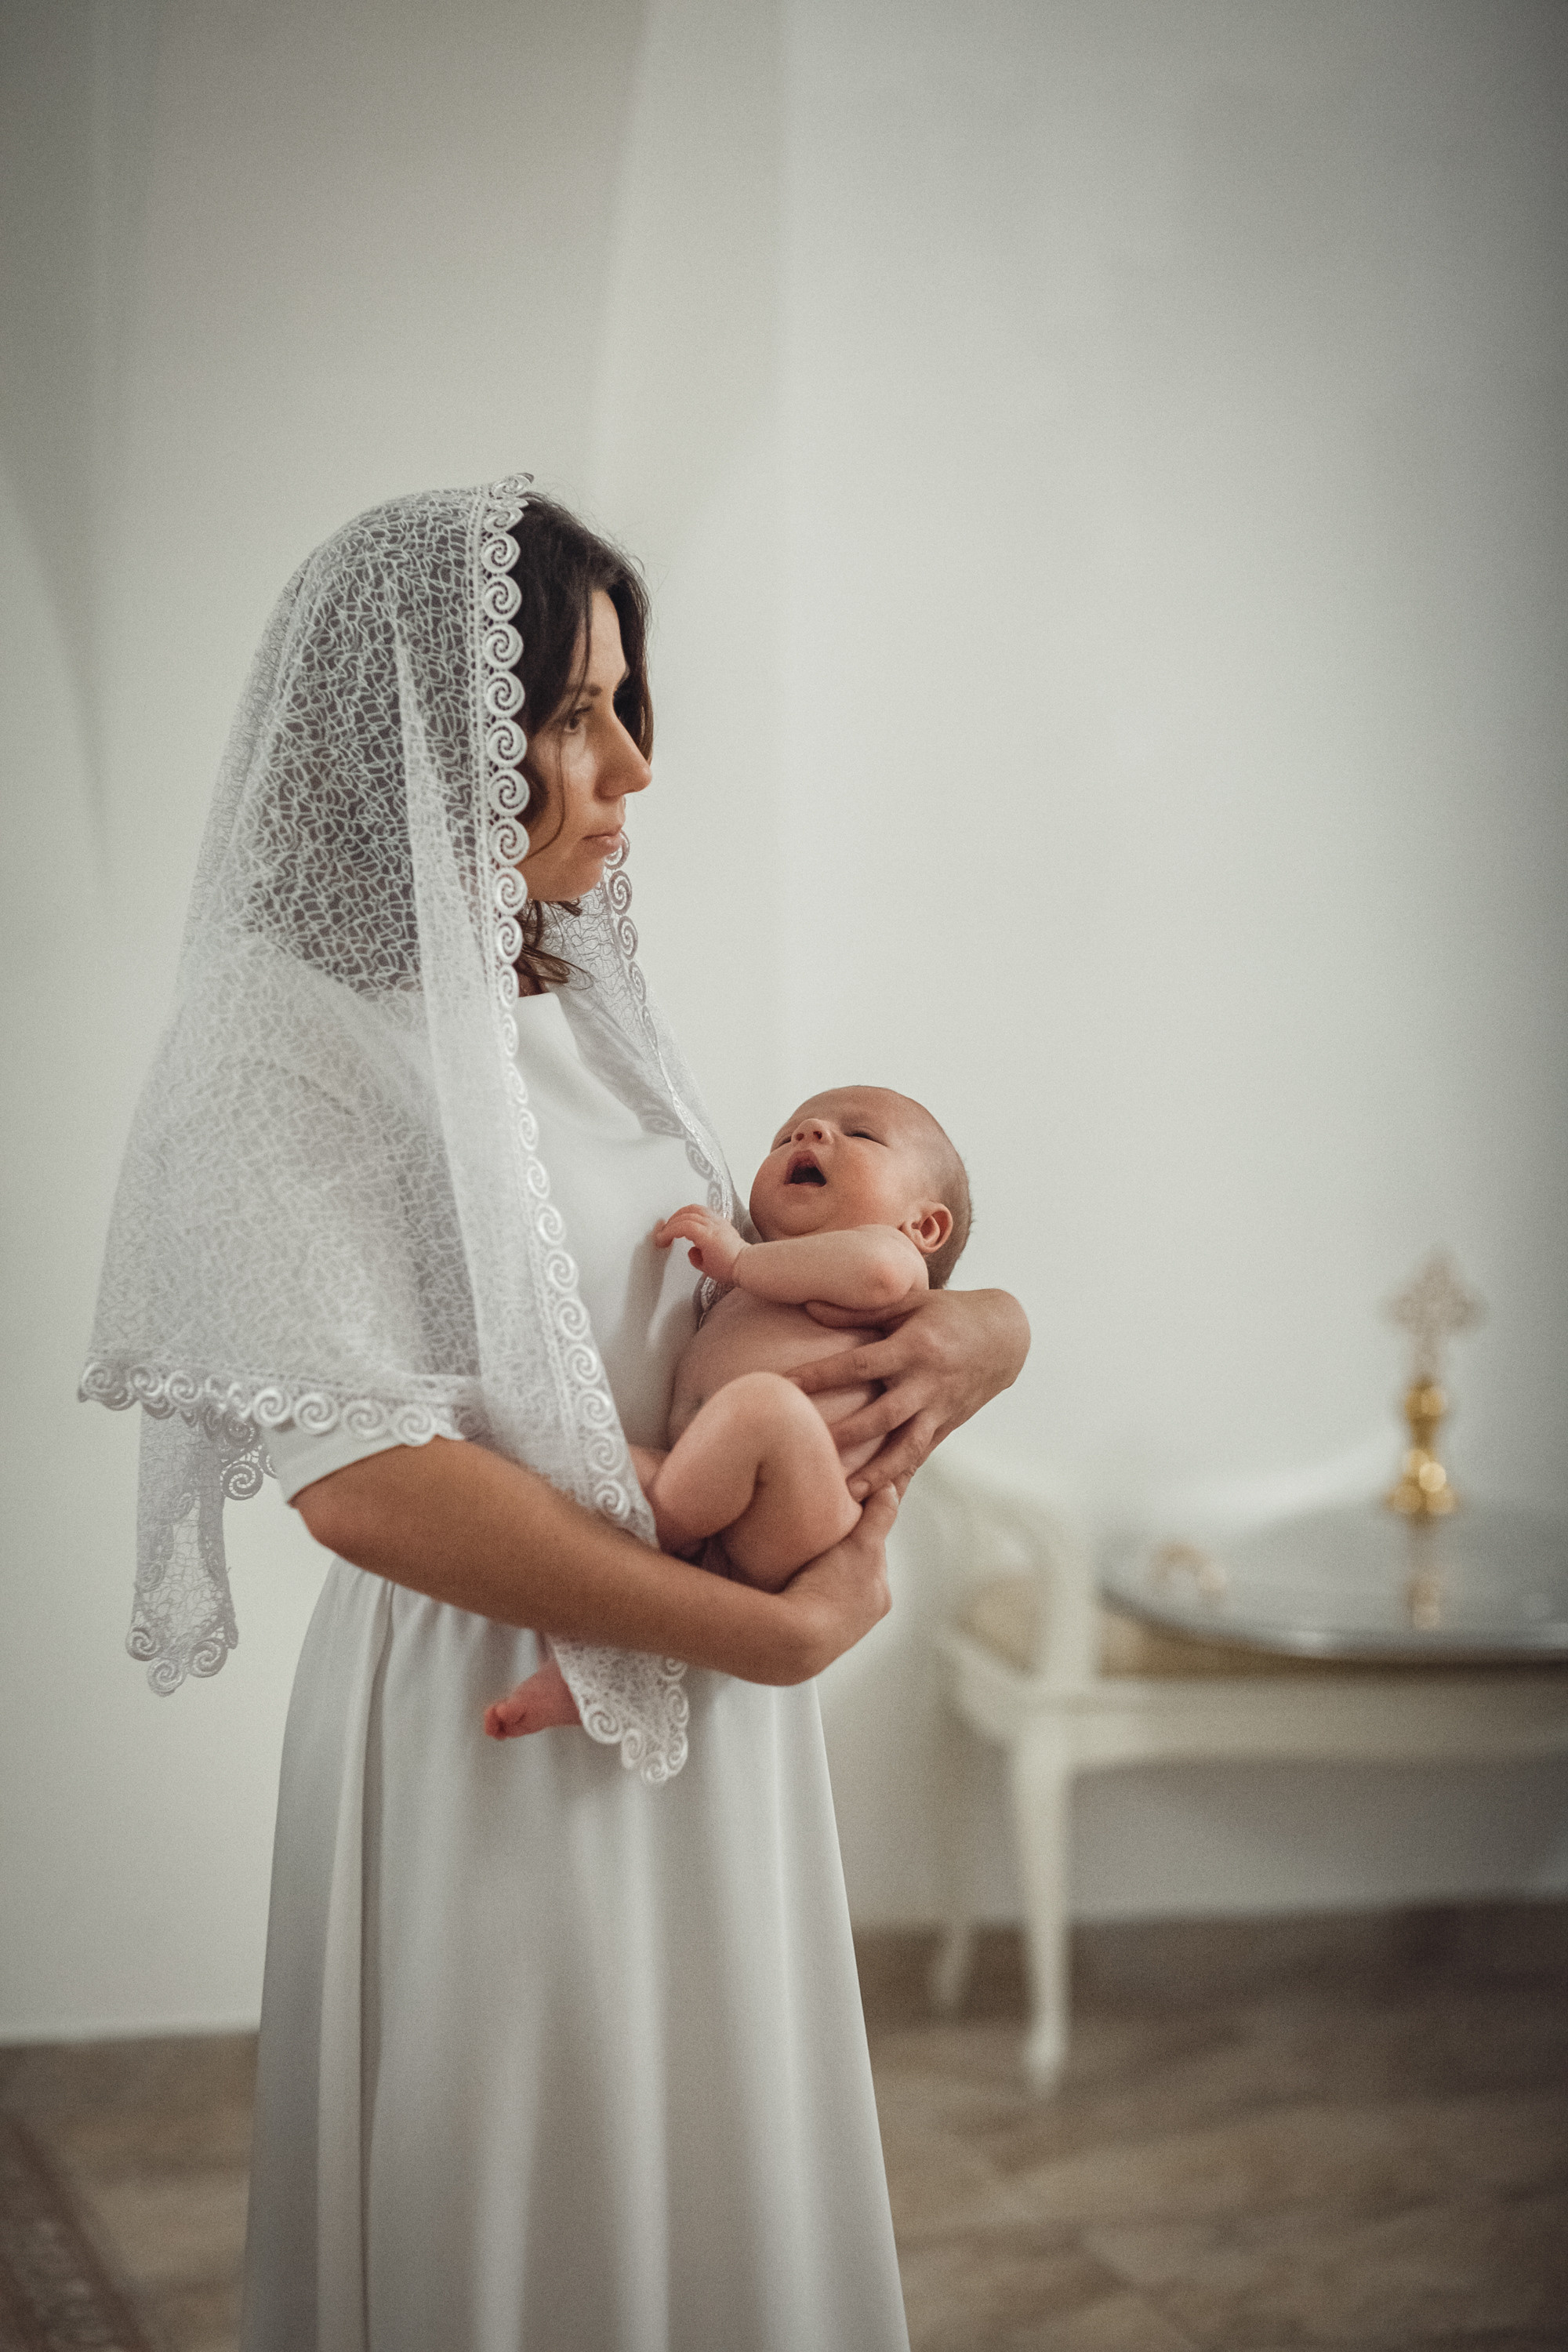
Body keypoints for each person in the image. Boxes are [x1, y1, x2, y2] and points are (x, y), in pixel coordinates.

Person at [82, 478, 1029, 2352]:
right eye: (573, 711)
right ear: (432, 737)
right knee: (527, 2220)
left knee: (710, 2200)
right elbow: (359, 1480)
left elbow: (751, 1268)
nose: (629, 765)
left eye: (624, 701)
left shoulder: (568, 985)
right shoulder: (287, 1026)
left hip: (700, 1716)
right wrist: (758, 1630)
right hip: (491, 1716)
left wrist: (983, 1325)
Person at [488, 1083, 975, 1738]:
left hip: (797, 1509)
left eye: (858, 1135)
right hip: (714, 1486)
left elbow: (879, 1275)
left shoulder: (888, 1260)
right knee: (573, 1452)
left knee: (765, 1406)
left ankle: (655, 1541)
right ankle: (594, 1669)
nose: (811, 1135)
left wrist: (743, 1260)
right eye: (788, 1135)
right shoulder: (765, 1270)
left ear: (924, 1225)